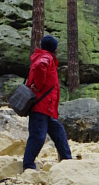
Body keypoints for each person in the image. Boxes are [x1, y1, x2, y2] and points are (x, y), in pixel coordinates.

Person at [22, 35, 72, 170]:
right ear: (54, 49)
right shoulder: (47, 58)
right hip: (40, 106)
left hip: (46, 108)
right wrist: (38, 85)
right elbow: (40, 66)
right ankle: (28, 166)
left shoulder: (42, 56)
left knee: (58, 131)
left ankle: (67, 161)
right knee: (38, 137)